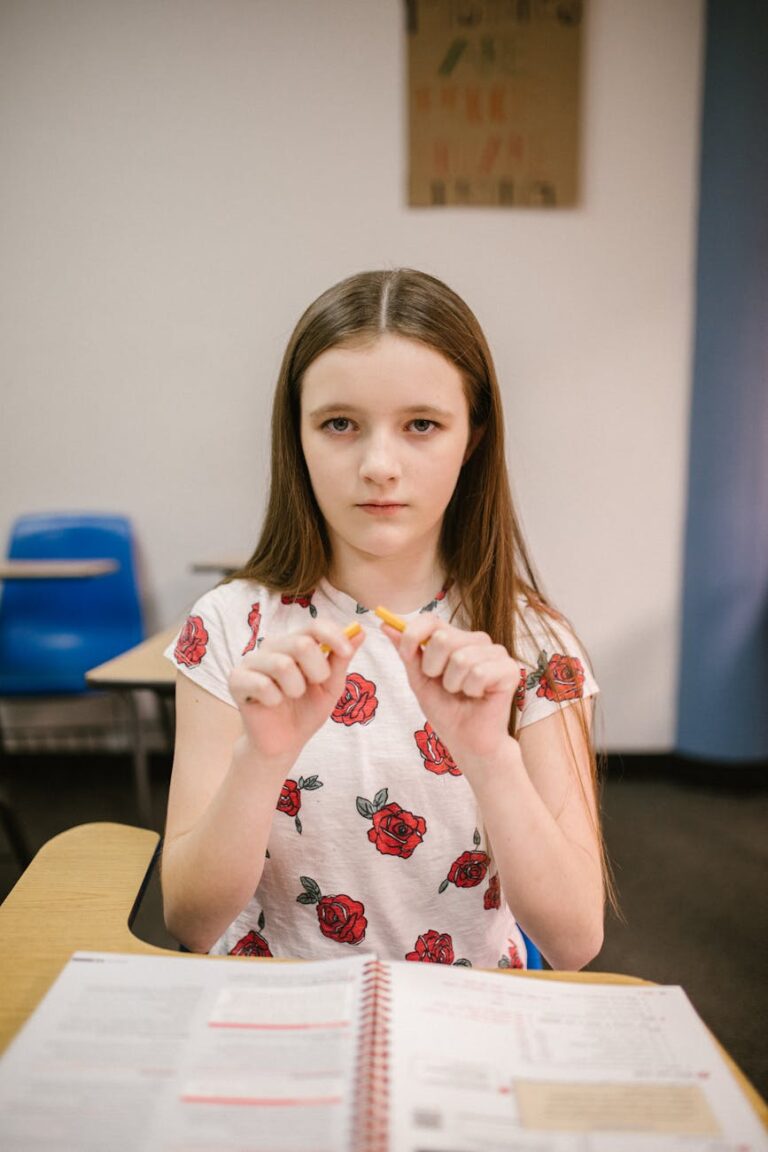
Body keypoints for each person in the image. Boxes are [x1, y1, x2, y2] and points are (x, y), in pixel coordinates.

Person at [162, 268, 608, 970]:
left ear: (474, 437)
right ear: (297, 435)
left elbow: (577, 942)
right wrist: (263, 758)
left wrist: (492, 759)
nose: (379, 465)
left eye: (422, 425)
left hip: (466, 1024)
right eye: (340, 424)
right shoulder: (227, 626)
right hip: (272, 1018)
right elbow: (190, 919)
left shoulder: (533, 643)